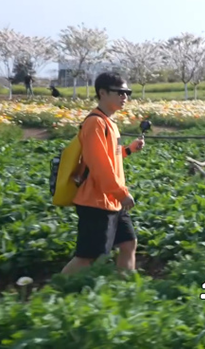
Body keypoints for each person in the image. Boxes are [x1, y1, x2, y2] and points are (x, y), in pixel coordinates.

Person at [61, 72, 146, 275]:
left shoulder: (111, 124)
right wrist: (120, 193)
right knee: (87, 257)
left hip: (112, 200)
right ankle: (56, 290)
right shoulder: (95, 123)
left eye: (128, 93)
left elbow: (113, 157)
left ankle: (126, 289)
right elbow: (99, 165)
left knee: (128, 243)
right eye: (120, 92)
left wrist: (130, 149)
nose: (125, 97)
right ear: (102, 93)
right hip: (96, 200)